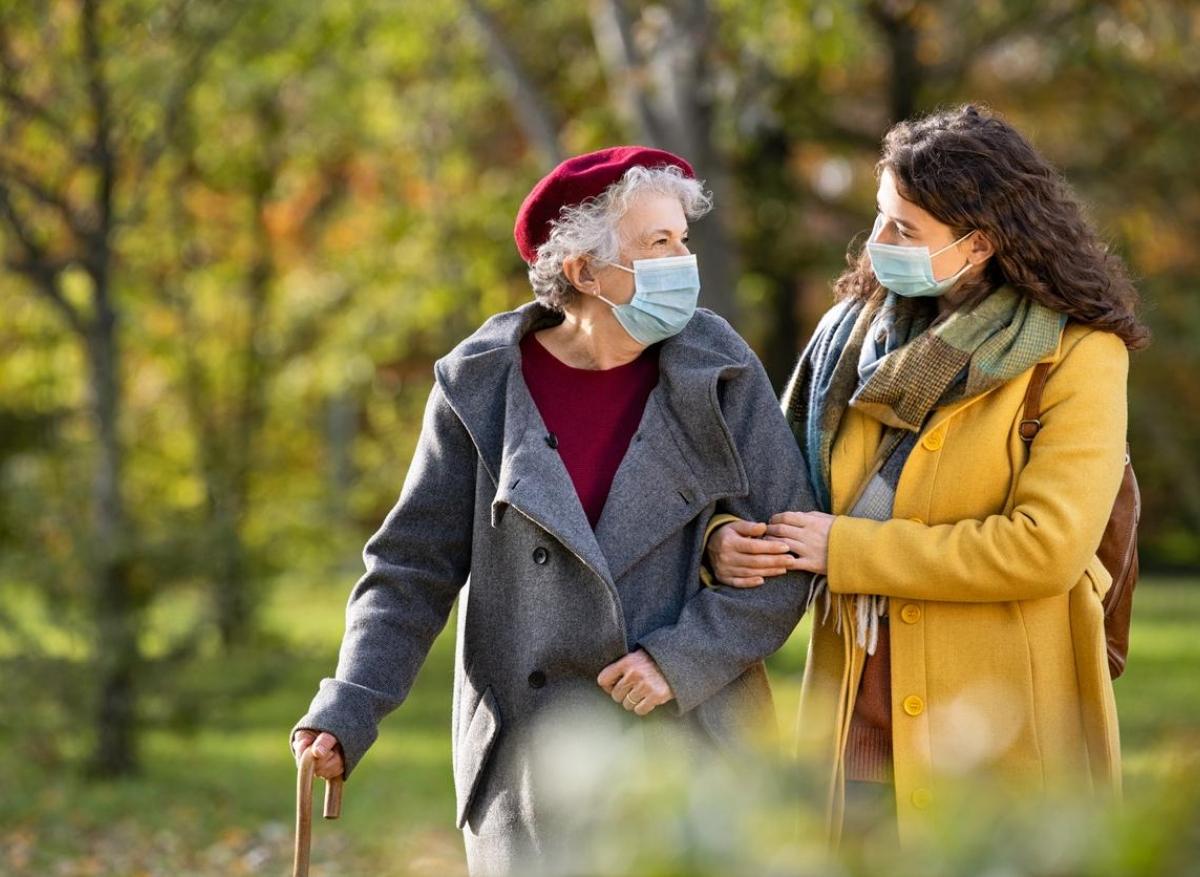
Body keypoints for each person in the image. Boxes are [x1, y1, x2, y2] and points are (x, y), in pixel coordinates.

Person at [289, 146, 816, 874]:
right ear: (583, 270)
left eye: (682, 241)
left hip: (696, 752)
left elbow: (791, 551)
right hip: (529, 769)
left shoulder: (720, 368)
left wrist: (682, 658)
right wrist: (348, 704)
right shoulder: (479, 386)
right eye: (657, 243)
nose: (681, 261)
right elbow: (411, 568)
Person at [705, 105, 1147, 845]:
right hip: (852, 721)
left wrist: (846, 551)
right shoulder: (850, 342)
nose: (877, 244)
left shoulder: (1079, 355)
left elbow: (1045, 546)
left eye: (904, 230)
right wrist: (725, 538)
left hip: (1001, 731)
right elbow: (768, 486)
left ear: (977, 245)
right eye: (880, 218)